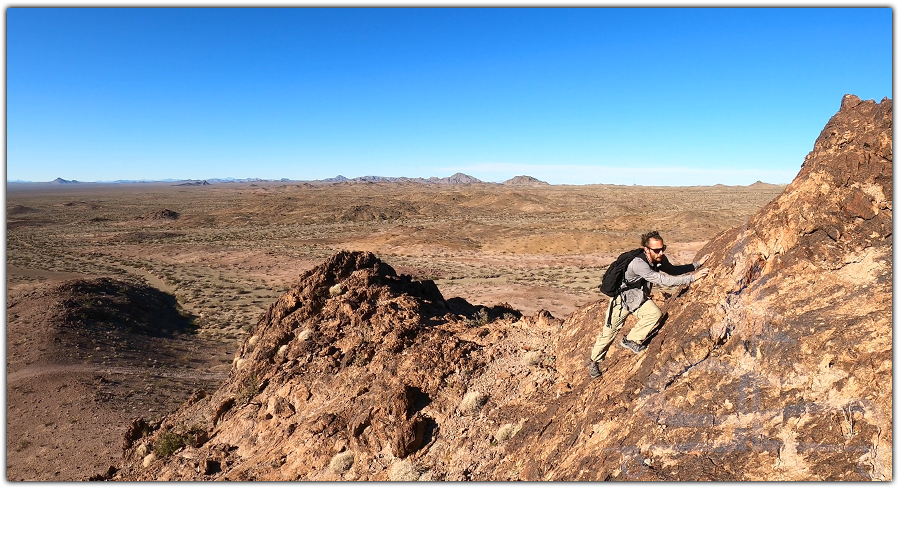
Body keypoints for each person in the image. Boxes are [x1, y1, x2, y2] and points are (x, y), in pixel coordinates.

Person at [588, 231, 710, 379]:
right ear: (646, 249)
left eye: (663, 248)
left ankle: (631, 340)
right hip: (622, 301)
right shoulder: (638, 264)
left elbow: (672, 270)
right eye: (657, 250)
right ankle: (594, 361)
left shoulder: (658, 258)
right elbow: (663, 280)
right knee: (609, 333)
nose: (661, 252)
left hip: (639, 299)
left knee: (655, 314)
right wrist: (692, 278)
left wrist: (696, 265)